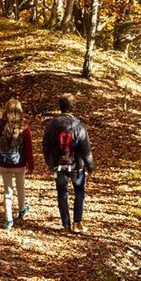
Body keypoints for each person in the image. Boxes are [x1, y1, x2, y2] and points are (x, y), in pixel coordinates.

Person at [43, 93, 93, 233]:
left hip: (58, 166)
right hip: (76, 166)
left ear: (60, 107)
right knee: (79, 192)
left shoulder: (51, 125)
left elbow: (46, 147)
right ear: (73, 107)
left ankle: (65, 224)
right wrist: (90, 166)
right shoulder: (79, 126)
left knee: (62, 194)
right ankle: (77, 223)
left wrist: (50, 163)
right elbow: (86, 149)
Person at [0, 98, 34, 230]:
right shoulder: (24, 127)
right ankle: (21, 210)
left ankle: (9, 219)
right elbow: (29, 149)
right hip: (19, 164)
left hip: (3, 163)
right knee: (20, 187)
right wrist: (30, 166)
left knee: (7, 191)